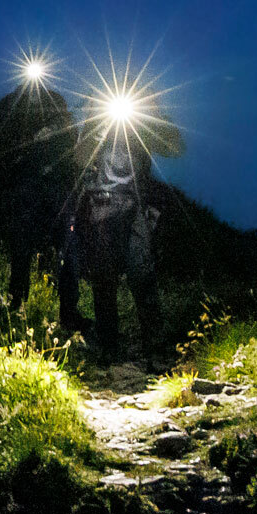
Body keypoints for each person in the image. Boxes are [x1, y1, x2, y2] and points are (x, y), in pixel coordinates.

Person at [69, 98, 185, 359]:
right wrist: (98, 125)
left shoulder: (142, 125)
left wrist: (154, 113)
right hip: (102, 204)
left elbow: (176, 148)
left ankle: (155, 350)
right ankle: (109, 348)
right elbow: (79, 158)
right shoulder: (95, 122)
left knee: (142, 274)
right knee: (104, 279)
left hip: (136, 206)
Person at [0, 77, 80, 327]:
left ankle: (69, 314)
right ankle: (15, 306)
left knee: (67, 252)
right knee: (22, 249)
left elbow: (73, 143)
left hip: (60, 192)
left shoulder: (60, 111)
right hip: (28, 191)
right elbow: (6, 145)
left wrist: (55, 132)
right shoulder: (17, 112)